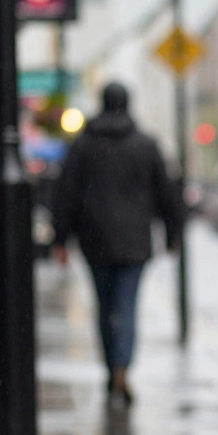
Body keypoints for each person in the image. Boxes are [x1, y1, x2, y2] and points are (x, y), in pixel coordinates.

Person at [52, 82, 183, 406]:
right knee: (126, 308)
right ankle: (122, 371)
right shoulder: (146, 144)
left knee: (104, 307)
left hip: (94, 241)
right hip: (135, 242)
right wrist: (172, 235)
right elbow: (167, 194)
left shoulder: (82, 145)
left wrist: (60, 239)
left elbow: (65, 193)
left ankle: (111, 370)